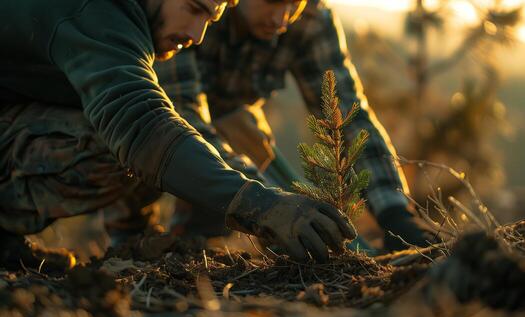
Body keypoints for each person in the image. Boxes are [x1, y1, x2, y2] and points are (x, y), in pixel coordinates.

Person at [0, 0, 357, 271]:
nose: (196, 35)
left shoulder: (128, 21)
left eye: (209, 20)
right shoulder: (95, 12)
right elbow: (142, 125)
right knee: (117, 142)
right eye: (192, 8)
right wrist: (258, 204)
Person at [152, 0, 432, 251]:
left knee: (247, 133)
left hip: (234, 143)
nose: (281, 19)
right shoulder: (193, 13)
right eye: (272, 3)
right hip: (158, 133)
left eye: (293, 5)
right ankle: (133, 232)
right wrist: (266, 205)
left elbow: (346, 114)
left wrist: (395, 211)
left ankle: (198, 240)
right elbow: (183, 115)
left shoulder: (310, 19)